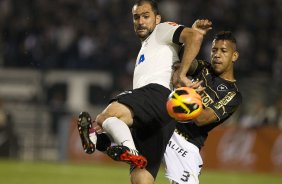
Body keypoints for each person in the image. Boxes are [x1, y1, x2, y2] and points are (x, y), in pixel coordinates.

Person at [76, 0, 212, 184]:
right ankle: (107, 143)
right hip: (163, 117)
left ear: (157, 19)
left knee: (105, 116)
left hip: (156, 94)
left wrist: (181, 73)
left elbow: (194, 37)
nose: (140, 21)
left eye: (146, 16)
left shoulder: (162, 30)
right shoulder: (149, 46)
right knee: (141, 178)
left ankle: (110, 144)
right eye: (136, 17)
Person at [165, 30, 242, 184]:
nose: (217, 55)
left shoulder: (233, 95)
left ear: (234, 56)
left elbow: (202, 119)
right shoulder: (203, 68)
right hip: (165, 126)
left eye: (223, 51)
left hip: (185, 144)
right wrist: (194, 33)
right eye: (214, 50)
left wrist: (191, 95)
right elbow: (183, 61)